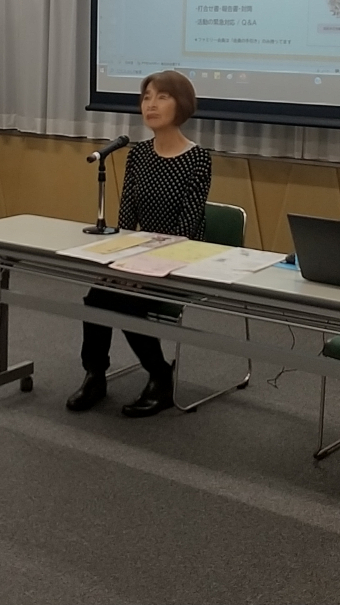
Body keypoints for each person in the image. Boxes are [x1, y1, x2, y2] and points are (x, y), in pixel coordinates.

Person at [67, 70, 212, 418]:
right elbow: (126, 222)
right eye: (147, 97)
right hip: (140, 254)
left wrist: (146, 265)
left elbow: (187, 228)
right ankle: (95, 374)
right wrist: (119, 260)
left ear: (181, 104)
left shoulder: (198, 158)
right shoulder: (138, 154)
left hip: (181, 257)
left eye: (162, 97)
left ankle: (160, 376)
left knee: (124, 300)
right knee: (99, 293)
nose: (151, 104)